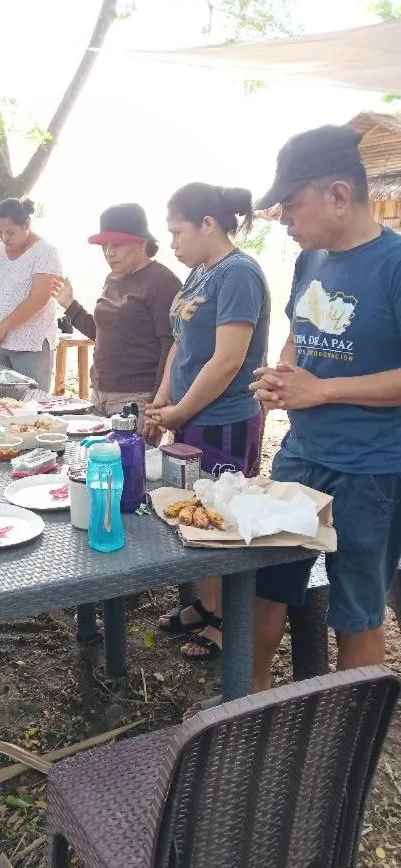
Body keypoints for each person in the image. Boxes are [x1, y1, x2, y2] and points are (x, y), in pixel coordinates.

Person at [252, 125, 401, 689]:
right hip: (301, 455)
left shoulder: (394, 263)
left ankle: (347, 738)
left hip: (372, 469)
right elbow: (300, 335)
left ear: (338, 195)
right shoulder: (309, 261)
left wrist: (323, 391)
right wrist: (281, 375)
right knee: (266, 583)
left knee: (356, 606)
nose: (285, 222)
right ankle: (248, 707)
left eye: (292, 207)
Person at [148, 183, 270, 661]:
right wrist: (162, 404)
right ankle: (206, 604)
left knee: (223, 520)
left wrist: (180, 411)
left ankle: (225, 622)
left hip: (224, 420)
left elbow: (226, 361)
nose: (173, 242)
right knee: (193, 509)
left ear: (208, 225)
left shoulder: (238, 274)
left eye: (177, 231)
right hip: (191, 415)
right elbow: (180, 345)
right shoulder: (199, 273)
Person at [52, 203, 180, 433]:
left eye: (117, 244)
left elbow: (171, 346)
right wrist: (70, 305)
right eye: (104, 246)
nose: (109, 252)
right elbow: (102, 334)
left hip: (137, 399)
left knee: (128, 466)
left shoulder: (162, 281)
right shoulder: (113, 277)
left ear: (141, 242)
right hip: (99, 393)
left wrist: (156, 404)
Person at [0, 197, 62, 391]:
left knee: (30, 405)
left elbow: (39, 298)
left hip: (31, 347)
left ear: (27, 224)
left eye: (10, 232)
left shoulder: (46, 252)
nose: (5, 238)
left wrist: (5, 326)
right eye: (0, 232)